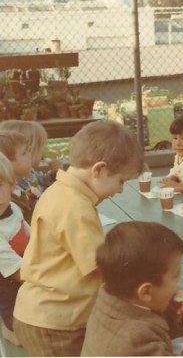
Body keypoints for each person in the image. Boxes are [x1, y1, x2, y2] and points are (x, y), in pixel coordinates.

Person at [13, 120, 145, 356]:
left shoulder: (61, 192)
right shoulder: (75, 206)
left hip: (47, 315)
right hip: (55, 324)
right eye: (121, 180)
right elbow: (103, 266)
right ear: (99, 170)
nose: (121, 189)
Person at [81, 221, 183, 356]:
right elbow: (147, 336)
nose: (178, 285)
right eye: (175, 277)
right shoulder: (134, 340)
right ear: (146, 292)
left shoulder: (110, 297)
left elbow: (151, 325)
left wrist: (174, 317)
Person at [0, 120, 63, 221]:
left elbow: (42, 182)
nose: (42, 152)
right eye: (25, 152)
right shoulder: (13, 192)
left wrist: (54, 173)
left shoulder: (29, 174)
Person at [0, 152, 29, 346]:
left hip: (25, 270)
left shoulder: (13, 209)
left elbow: (31, 235)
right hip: (10, 287)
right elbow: (19, 273)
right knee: (27, 335)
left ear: (12, 185)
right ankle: (8, 326)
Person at [0, 130, 34, 223]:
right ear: (6, 161)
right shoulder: (7, 202)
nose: (30, 156)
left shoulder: (19, 191)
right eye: (24, 153)